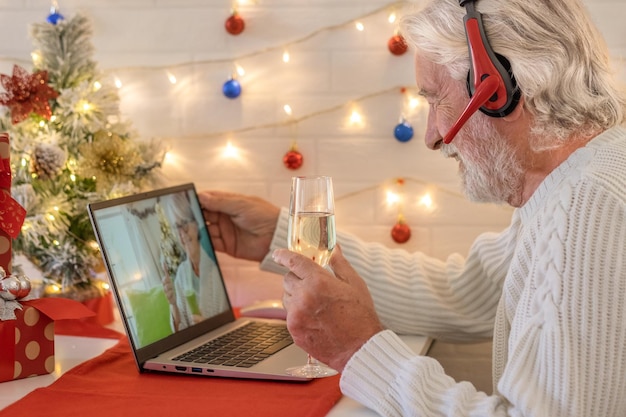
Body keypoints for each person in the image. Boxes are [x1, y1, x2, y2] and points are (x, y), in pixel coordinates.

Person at [199, 0, 626, 415]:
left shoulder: (588, 207)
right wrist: (278, 235)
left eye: (436, 99)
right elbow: (466, 292)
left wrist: (357, 351)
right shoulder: (573, 185)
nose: (432, 136)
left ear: (497, 89)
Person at [160, 191, 228, 331]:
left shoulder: (214, 269)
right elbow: (180, 330)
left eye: (184, 223)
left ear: (197, 225)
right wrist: (173, 304)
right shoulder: (181, 273)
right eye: (176, 227)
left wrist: (207, 327)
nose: (182, 233)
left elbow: (226, 327)